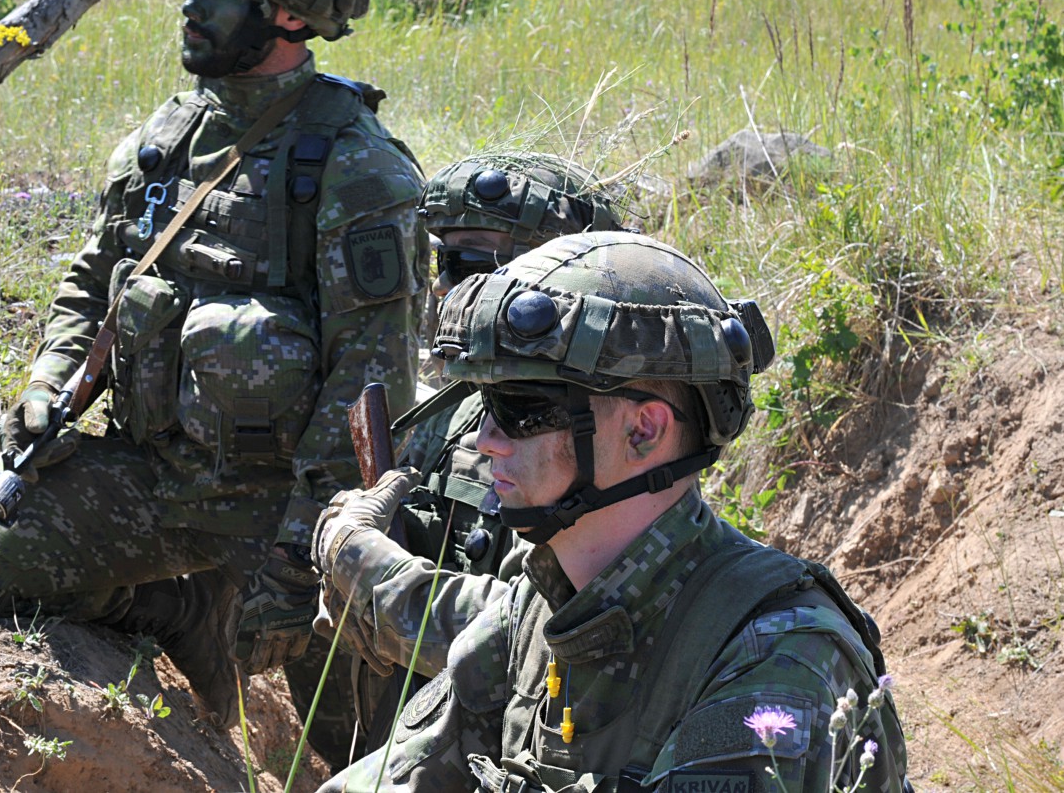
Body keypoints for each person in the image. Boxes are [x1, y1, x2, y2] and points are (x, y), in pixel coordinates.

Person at [0, 0, 427, 735]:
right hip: (155, 480)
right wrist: (47, 383)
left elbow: (372, 389)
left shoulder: (357, 167)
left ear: (290, 15)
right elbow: (94, 282)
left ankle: (258, 614)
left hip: (287, 515)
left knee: (356, 746)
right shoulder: (171, 133)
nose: (190, 6)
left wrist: (300, 563)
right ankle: (185, 614)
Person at [315, 231, 910, 792]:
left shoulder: (775, 661)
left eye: (521, 408)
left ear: (644, 431)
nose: (486, 438)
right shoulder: (543, 607)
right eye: (485, 405)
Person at [312, 152, 629, 750]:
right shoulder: (448, 406)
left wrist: (373, 574)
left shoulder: (593, 437)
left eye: (465, 264)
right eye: (439, 260)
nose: (441, 285)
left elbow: (547, 634)